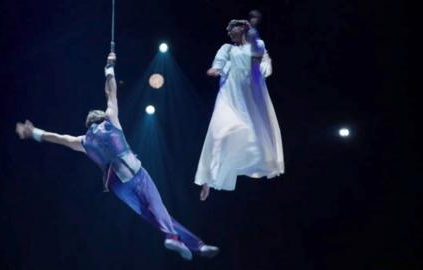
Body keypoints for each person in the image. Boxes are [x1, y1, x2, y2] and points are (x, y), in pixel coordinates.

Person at [16, 52, 219, 260]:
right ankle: (181, 240)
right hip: (137, 174)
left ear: (88, 125)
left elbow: (58, 138)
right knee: (159, 209)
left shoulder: (83, 142)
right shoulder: (110, 121)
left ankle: (186, 242)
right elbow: (111, 93)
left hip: (118, 186)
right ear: (101, 116)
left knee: (154, 216)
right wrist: (109, 68)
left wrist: (34, 133)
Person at [195, 15, 284, 201]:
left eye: (232, 28)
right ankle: (208, 180)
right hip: (228, 96)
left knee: (248, 134)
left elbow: (264, 64)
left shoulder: (255, 46)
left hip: (247, 96)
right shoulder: (227, 49)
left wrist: (253, 32)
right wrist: (215, 69)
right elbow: (218, 64)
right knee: (219, 133)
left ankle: (251, 161)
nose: (228, 32)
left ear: (242, 28)